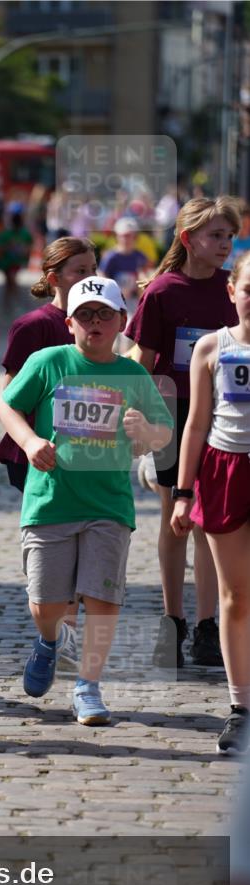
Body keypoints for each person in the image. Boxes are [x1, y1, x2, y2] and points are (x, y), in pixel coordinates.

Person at [0, 276, 173, 725]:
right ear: (69, 322)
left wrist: (146, 432)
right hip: (50, 500)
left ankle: (87, 686)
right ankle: (50, 641)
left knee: (103, 599)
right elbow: (8, 405)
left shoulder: (133, 375)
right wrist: (29, 441)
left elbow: (163, 433)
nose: (95, 322)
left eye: (104, 314)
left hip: (108, 505)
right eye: (85, 314)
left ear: (121, 321)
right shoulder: (49, 361)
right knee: (46, 606)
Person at [129, 196, 241, 669]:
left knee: (208, 522)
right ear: (188, 239)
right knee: (175, 520)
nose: (225, 244)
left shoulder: (232, 289)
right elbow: (141, 362)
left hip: (222, 417)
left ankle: (207, 625)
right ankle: (172, 622)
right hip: (171, 417)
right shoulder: (162, 292)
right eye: (216, 235)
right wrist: (139, 423)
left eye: (230, 236)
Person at [171, 250, 250, 756]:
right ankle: (241, 707)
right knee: (235, 596)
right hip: (226, 471)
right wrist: (182, 493)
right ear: (232, 291)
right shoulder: (211, 347)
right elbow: (196, 423)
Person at [0, 237, 97, 492]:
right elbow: (10, 396)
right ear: (54, 279)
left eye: (94, 269)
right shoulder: (33, 326)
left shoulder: (100, 322)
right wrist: (30, 442)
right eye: (81, 271)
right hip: (43, 450)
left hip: (87, 446)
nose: (91, 278)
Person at [99, 217, 149, 319]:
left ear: (135, 237)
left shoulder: (140, 257)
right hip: (114, 300)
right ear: (117, 237)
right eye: (123, 236)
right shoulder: (110, 257)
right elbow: (102, 277)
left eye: (129, 236)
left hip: (133, 300)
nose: (126, 239)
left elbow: (143, 278)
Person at [0, 208, 33, 314]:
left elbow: (29, 245)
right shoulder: (6, 233)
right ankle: (12, 303)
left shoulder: (24, 233)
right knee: (9, 282)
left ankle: (12, 303)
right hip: (6, 262)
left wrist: (25, 251)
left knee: (11, 280)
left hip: (16, 262)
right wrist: (9, 247)